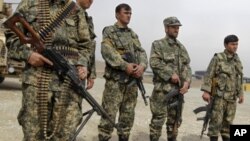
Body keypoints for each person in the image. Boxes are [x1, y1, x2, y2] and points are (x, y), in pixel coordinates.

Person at [5, 0, 92, 140]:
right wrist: (28, 55)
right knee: (33, 135)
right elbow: (12, 36)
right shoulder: (28, 4)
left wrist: (82, 64)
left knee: (65, 135)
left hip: (68, 84)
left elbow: (86, 45)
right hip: (37, 82)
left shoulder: (75, 10)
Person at [98, 3, 148, 141]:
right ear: (117, 14)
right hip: (115, 84)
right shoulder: (109, 31)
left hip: (131, 84)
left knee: (127, 119)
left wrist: (142, 66)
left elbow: (141, 52)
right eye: (126, 12)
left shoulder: (133, 34)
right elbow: (107, 51)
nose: (129, 15)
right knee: (108, 118)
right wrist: (124, 65)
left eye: (130, 13)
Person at [149, 17, 192, 141]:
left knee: (174, 124)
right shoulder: (158, 44)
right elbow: (154, 62)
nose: (176, 30)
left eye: (178, 27)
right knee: (157, 122)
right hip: (162, 92)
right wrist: (170, 74)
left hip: (178, 93)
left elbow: (187, 67)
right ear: (166, 28)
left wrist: (187, 82)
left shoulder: (181, 47)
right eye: (174, 27)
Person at [201, 35, 244, 141]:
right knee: (215, 123)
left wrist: (241, 93)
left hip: (232, 98)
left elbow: (240, 77)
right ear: (225, 45)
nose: (235, 46)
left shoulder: (237, 60)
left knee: (228, 125)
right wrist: (206, 91)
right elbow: (209, 74)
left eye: (236, 44)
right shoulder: (218, 58)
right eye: (233, 44)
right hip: (219, 97)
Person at [77, 0, 96, 90]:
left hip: (82, 71)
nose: (91, 0)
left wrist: (91, 73)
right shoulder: (67, 13)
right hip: (69, 66)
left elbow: (90, 47)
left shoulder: (88, 20)